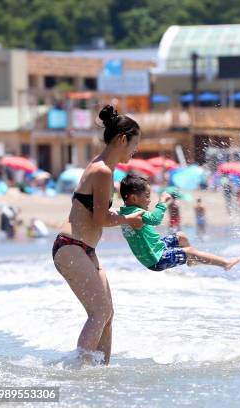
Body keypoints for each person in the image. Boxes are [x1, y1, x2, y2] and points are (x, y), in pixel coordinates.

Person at [52, 105, 144, 365]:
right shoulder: (102, 171)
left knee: (107, 313)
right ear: (122, 139)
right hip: (71, 247)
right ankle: (78, 372)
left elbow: (98, 212)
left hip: (84, 250)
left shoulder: (103, 167)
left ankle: (101, 372)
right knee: (99, 312)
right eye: (134, 144)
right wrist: (128, 218)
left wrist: (125, 215)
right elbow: (100, 219)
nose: (135, 151)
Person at [118, 174, 240, 272]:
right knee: (189, 251)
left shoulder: (124, 211)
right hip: (156, 259)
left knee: (181, 236)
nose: (149, 200)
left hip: (157, 249)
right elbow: (155, 219)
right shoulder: (136, 214)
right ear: (133, 198)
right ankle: (225, 263)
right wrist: (161, 202)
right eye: (146, 196)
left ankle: (191, 261)